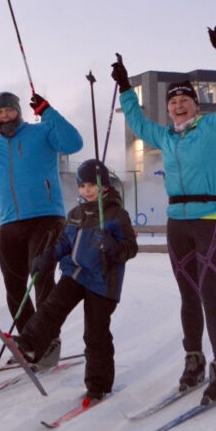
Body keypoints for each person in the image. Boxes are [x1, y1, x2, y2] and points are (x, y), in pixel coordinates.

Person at [110, 27, 216, 404]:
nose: (178, 105)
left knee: (209, 291)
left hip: (212, 218)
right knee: (188, 294)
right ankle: (194, 361)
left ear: (197, 105)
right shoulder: (167, 138)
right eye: (173, 102)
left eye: (185, 99)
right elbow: (137, 124)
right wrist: (125, 86)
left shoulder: (215, 127)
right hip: (178, 221)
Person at [0, 91, 83, 366]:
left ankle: (48, 341)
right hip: (10, 223)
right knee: (14, 288)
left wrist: (48, 111)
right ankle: (29, 341)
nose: (4, 116)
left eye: (8, 110)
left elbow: (74, 143)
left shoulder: (42, 133)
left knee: (41, 280)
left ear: (18, 111)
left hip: (46, 218)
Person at [13, 159, 138, 403]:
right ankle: (29, 344)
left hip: (102, 282)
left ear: (104, 185)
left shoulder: (116, 214)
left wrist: (112, 246)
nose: (87, 190)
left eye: (93, 184)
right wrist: (46, 258)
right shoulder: (76, 214)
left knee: (95, 334)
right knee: (51, 308)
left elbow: (130, 248)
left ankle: (98, 384)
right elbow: (63, 243)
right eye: (83, 186)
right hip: (75, 274)